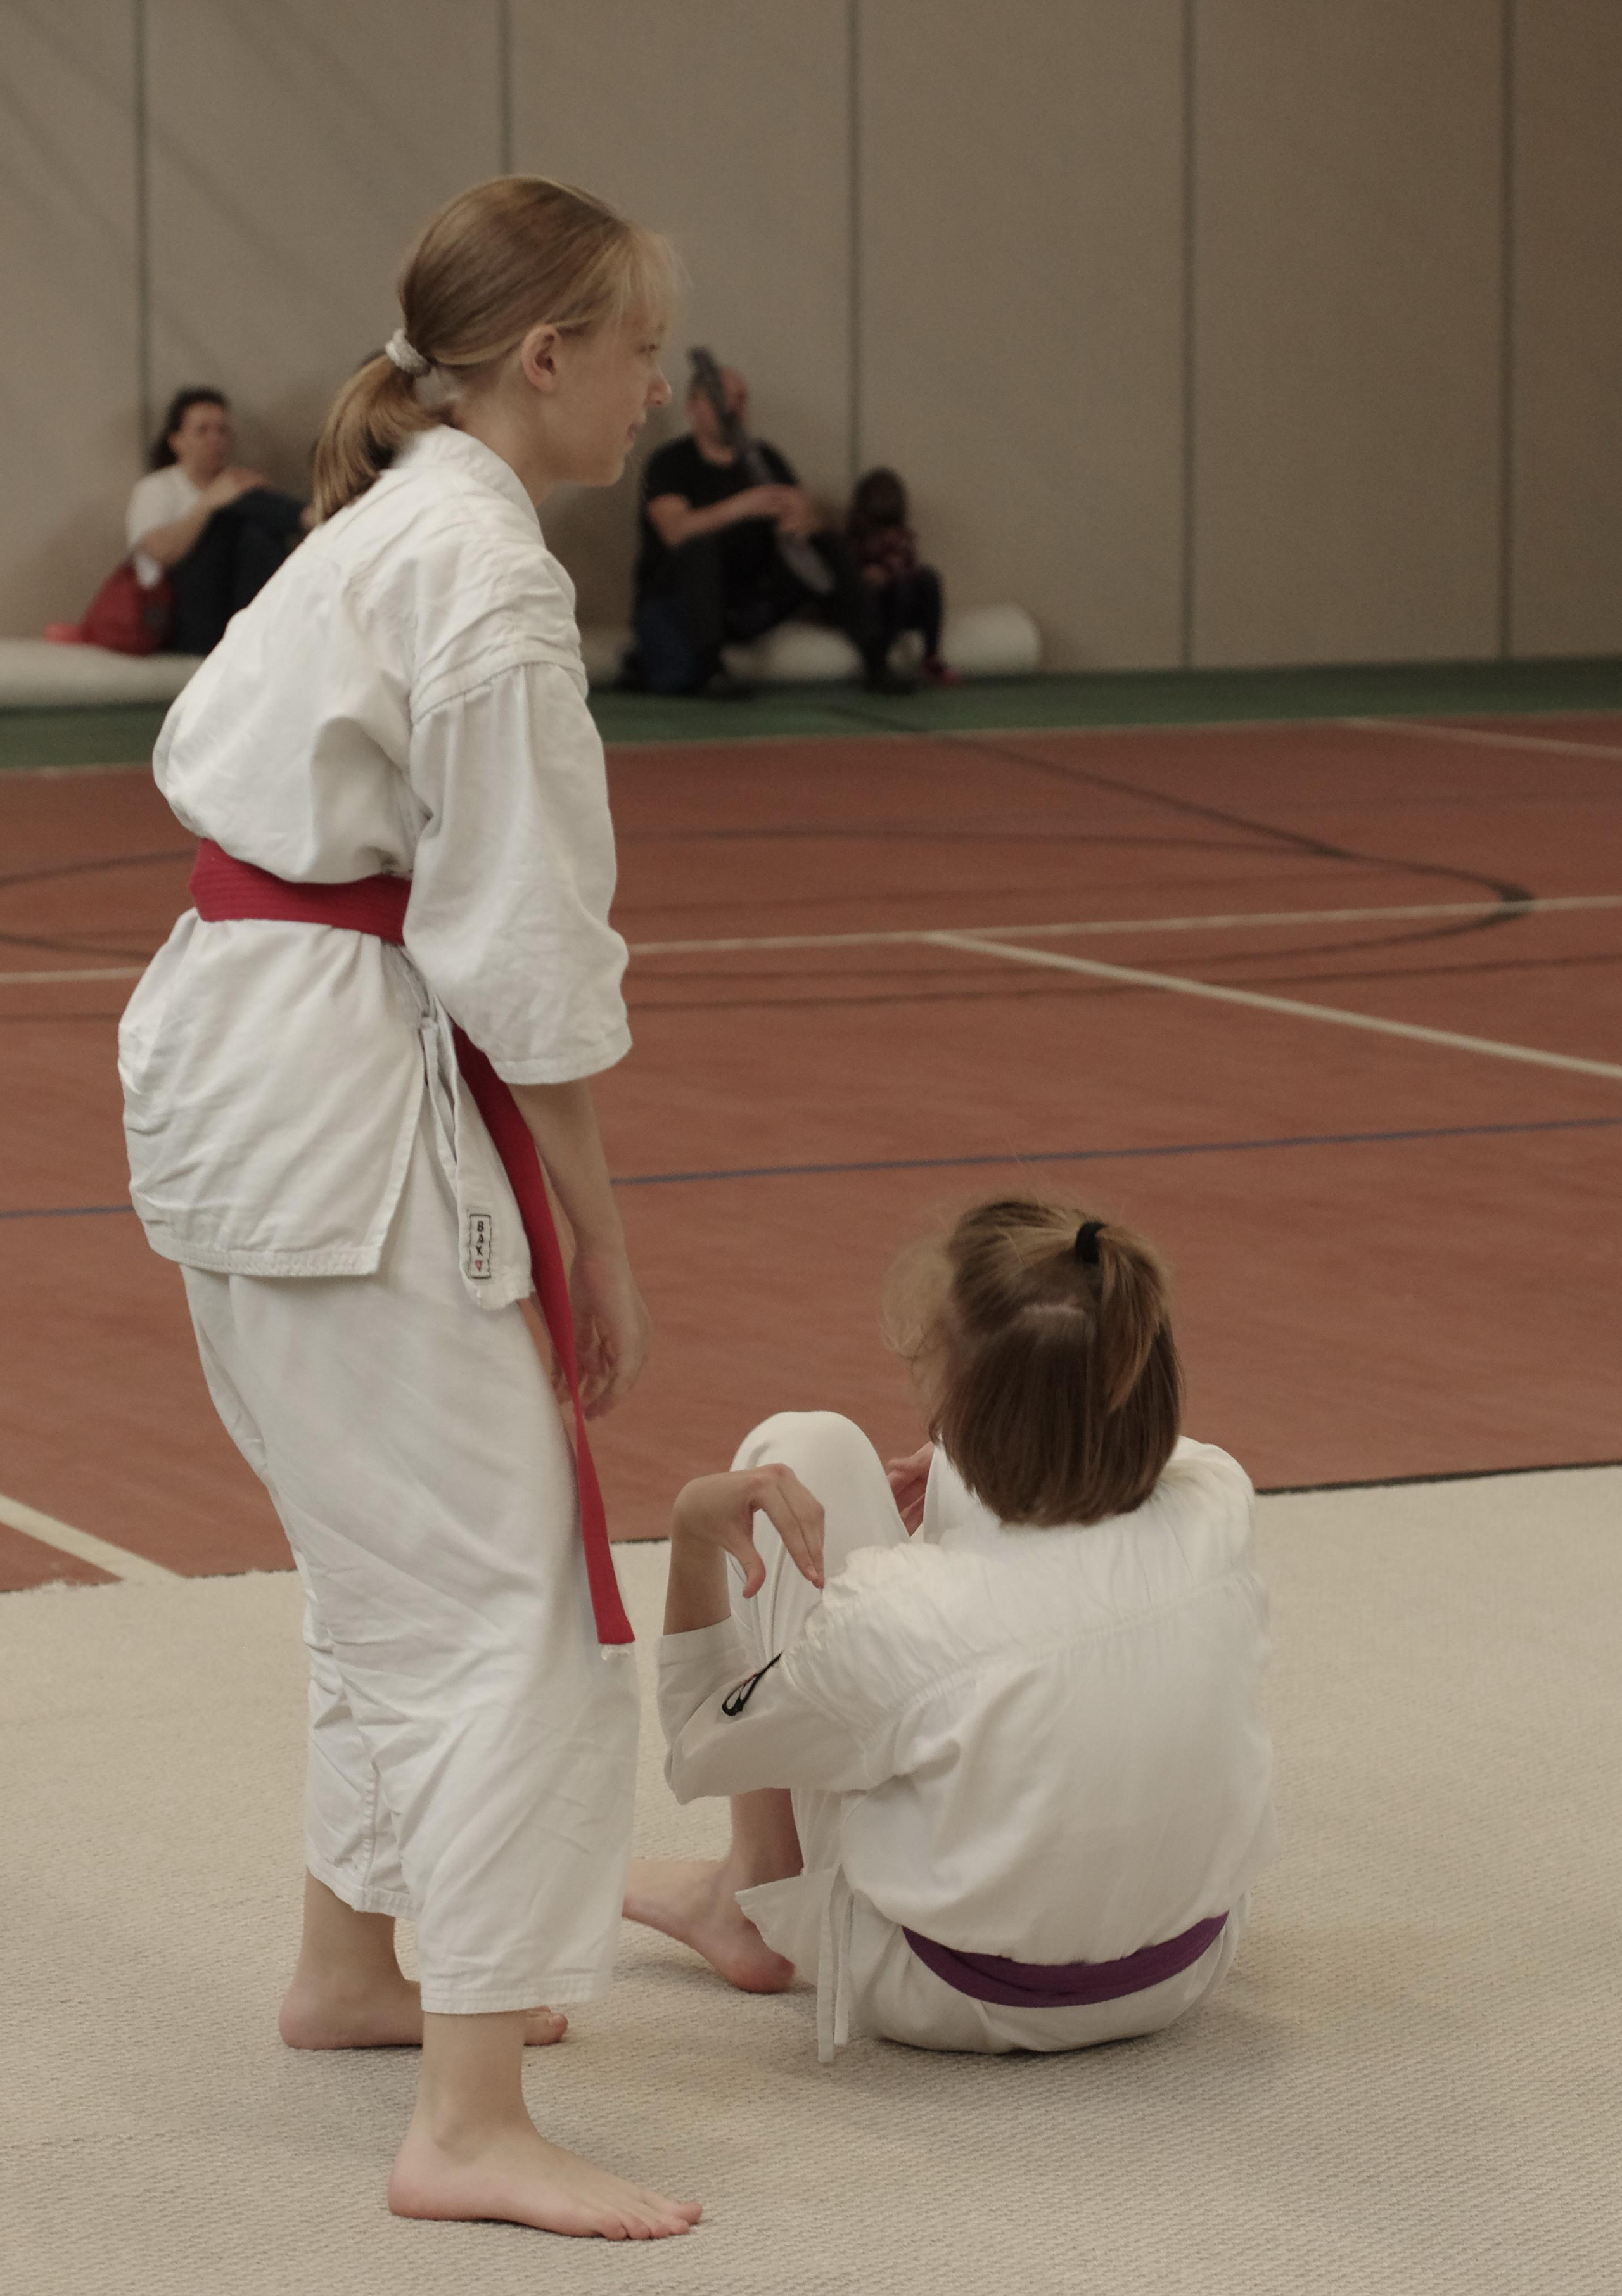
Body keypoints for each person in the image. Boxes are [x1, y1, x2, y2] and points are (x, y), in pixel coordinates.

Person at [118, 177, 703, 2242]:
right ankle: (466, 2115)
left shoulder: (382, 525)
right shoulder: (487, 573)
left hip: (236, 1055)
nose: (663, 383)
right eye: (641, 346)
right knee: (503, 1602)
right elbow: (522, 952)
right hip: (339, 1084)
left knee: (391, 1557)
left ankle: (356, 1964)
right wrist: (601, 1239)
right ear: (545, 355)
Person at [627, 1199, 1276, 2063]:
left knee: (802, 1448)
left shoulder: (899, 1613)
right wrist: (969, 1459)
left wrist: (689, 1535)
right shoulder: (1219, 1498)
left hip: (948, 1994)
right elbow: (1123, 1437)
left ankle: (744, 1892)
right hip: (1181, 1972)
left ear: (964, 1410)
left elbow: (703, 1750)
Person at [630, 365, 914, 698]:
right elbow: (675, 531)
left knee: (829, 545)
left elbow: (807, 516)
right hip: (685, 605)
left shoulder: (765, 459)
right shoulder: (670, 463)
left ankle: (877, 659)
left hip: (751, 602)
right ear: (694, 406)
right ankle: (710, 669)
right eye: (722, 397)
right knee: (699, 548)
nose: (732, 407)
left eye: (740, 398)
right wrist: (744, 505)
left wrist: (805, 520)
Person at [126, 388, 310, 654]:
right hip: (176, 617)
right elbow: (162, 552)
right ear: (176, 441)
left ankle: (270, 639)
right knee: (232, 512)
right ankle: (311, 517)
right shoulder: (155, 488)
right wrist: (209, 504)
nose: (215, 439)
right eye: (203, 430)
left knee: (256, 528)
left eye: (222, 430)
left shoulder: (234, 485)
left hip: (233, 610)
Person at [846, 466, 958, 686]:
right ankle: (880, 660)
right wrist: (867, 576)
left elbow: (907, 568)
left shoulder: (902, 538)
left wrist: (890, 574)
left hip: (902, 602)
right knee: (901, 587)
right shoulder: (856, 541)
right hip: (879, 607)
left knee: (928, 579)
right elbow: (848, 576)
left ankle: (931, 656)